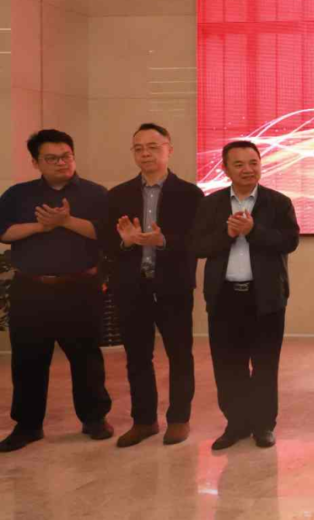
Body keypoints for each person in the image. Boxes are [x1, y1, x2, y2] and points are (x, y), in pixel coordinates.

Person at [0, 129, 113, 452]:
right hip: (31, 289)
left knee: (86, 357)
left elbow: (105, 234)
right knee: (28, 359)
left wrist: (66, 221)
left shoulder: (95, 194)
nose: (62, 163)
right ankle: (28, 425)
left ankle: (94, 418)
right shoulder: (18, 195)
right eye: (52, 158)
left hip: (80, 287)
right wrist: (41, 226)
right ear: (36, 162)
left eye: (66, 156)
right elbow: (4, 232)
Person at [191, 140, 299, 450]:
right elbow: (197, 246)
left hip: (265, 298)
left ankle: (263, 425)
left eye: (253, 162)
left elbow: (289, 241)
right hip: (224, 298)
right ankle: (236, 424)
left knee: (265, 365)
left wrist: (253, 231)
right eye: (238, 164)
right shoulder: (211, 204)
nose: (247, 169)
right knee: (228, 366)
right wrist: (227, 234)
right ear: (225, 169)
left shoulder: (278, 202)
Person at [104, 123, 205, 447]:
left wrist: (164, 241)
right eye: (138, 148)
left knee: (179, 354)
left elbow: (198, 241)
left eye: (152, 147)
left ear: (169, 149)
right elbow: (105, 242)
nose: (145, 153)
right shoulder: (117, 195)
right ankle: (144, 420)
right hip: (132, 288)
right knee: (137, 356)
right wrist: (125, 242)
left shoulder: (190, 194)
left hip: (173, 287)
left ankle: (179, 419)